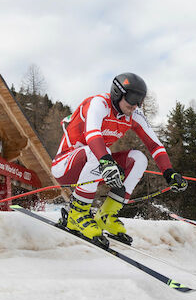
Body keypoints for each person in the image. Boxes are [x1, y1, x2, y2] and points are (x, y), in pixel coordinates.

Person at [51, 72, 188, 242]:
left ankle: (105, 215)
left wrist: (169, 172)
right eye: (132, 99)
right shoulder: (99, 103)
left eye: (140, 100)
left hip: (95, 167)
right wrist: (107, 163)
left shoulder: (133, 115)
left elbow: (155, 145)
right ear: (118, 93)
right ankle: (76, 214)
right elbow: (93, 135)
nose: (135, 105)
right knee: (100, 152)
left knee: (139, 159)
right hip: (65, 165)